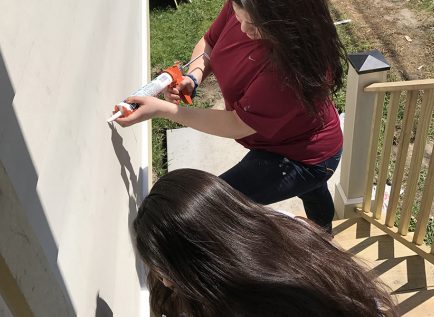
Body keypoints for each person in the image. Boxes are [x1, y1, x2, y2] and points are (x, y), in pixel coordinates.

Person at [116, 0, 345, 232]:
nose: (244, 29)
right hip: (280, 135)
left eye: (256, 25)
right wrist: (194, 77)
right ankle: (324, 229)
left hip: (305, 156)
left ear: (290, 23)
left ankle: (323, 234)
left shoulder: (289, 71)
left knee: (213, 207)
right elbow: (210, 41)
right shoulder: (250, 6)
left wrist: (163, 110)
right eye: (239, 17)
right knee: (313, 191)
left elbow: (237, 123)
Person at [133, 168, 398, 317]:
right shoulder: (292, 226)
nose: (164, 280)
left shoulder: (235, 308)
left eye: (164, 269)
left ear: (198, 261)